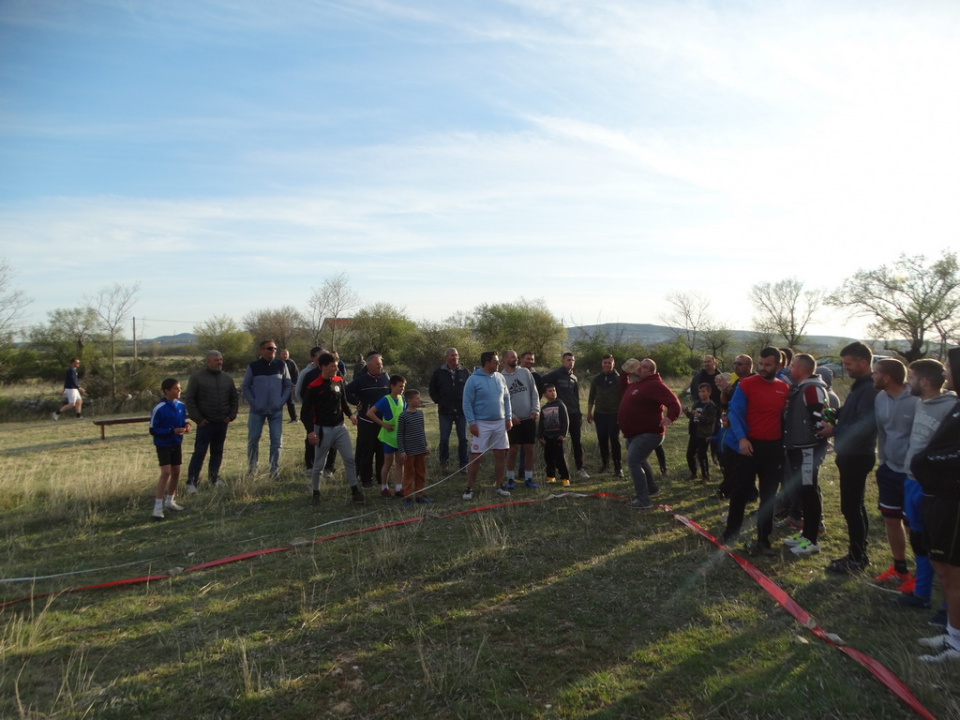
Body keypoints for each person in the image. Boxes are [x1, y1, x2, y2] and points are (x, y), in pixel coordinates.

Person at [911, 347, 960, 662]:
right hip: (938, 496)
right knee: (943, 567)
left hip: (953, 501)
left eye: (948, 367)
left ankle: (956, 646)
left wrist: (928, 461)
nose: (945, 373)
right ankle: (953, 634)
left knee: (953, 573)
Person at [898, 359, 956, 611]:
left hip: (934, 487)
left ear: (924, 381)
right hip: (911, 480)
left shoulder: (951, 407)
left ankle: (948, 607)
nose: (907, 382)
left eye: (910, 377)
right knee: (919, 540)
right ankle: (921, 594)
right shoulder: (920, 402)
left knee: (940, 549)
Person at [817, 341, 880, 574]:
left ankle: (856, 558)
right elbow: (850, 413)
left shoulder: (870, 388)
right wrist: (834, 413)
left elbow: (864, 425)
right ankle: (857, 554)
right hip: (850, 454)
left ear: (863, 363)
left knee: (851, 508)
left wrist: (834, 430)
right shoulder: (859, 386)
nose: (846, 368)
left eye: (848, 363)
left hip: (858, 455)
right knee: (854, 507)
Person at [722, 347, 789, 553]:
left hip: (774, 448)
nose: (762, 368)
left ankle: (763, 540)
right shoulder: (747, 384)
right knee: (739, 491)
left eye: (768, 365)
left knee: (769, 496)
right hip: (749, 445)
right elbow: (734, 412)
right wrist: (742, 439)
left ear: (779, 366)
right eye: (760, 364)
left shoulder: (784, 388)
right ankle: (730, 534)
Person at [871, 358, 920, 589]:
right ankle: (899, 568)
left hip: (913, 475)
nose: (873, 376)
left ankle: (922, 574)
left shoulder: (917, 399)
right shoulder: (880, 398)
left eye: (876, 372)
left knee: (914, 525)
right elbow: (882, 432)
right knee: (891, 520)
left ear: (887, 377)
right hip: (889, 469)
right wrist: (883, 462)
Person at [780, 353, 830, 556]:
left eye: (792, 366)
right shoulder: (802, 388)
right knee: (804, 490)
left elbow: (819, 419)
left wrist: (816, 435)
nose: (790, 369)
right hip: (799, 447)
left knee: (809, 492)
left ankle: (812, 539)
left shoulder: (812, 388)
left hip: (808, 448)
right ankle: (806, 533)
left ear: (801, 369)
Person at [301, 352, 364, 506]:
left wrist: (350, 415)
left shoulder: (338, 380)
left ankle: (355, 490)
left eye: (336, 366)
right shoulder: (313, 386)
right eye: (333, 366)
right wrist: (310, 431)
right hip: (322, 430)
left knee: (349, 459)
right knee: (319, 464)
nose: (336, 369)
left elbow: (342, 401)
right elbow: (305, 412)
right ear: (323, 367)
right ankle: (316, 493)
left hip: (340, 427)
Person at [618, 358, 681, 509]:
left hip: (649, 433)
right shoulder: (637, 384)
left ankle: (643, 500)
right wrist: (624, 374)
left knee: (633, 461)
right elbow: (622, 389)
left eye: (644, 367)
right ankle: (652, 488)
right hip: (634, 432)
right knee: (640, 461)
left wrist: (670, 417)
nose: (640, 369)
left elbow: (674, 402)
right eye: (640, 366)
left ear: (651, 371)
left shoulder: (655, 384)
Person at [183, 350, 239, 493]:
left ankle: (214, 478)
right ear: (208, 362)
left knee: (217, 451)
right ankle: (192, 482)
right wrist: (198, 419)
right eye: (216, 360)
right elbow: (190, 399)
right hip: (205, 423)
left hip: (222, 422)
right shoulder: (197, 378)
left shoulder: (227, 378)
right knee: (200, 452)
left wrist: (231, 415)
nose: (219, 362)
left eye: (220, 359)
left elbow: (234, 398)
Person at [461, 351, 512, 500]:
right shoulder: (473, 380)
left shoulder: (500, 377)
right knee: (476, 456)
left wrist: (508, 418)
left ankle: (499, 485)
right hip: (481, 423)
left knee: (500, 454)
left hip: (500, 422)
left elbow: (507, 398)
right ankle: (469, 488)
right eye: (495, 361)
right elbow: (467, 403)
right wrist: (472, 423)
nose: (498, 364)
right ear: (486, 362)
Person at [242, 340, 292, 479]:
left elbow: (288, 385)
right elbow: (245, 386)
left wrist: (281, 401)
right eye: (270, 348)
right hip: (257, 411)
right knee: (253, 439)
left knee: (276, 440)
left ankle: (274, 470)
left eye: (275, 348)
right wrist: (254, 403)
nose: (273, 351)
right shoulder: (253, 366)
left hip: (276, 410)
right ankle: (252, 470)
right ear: (261, 350)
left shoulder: (281, 365)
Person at [346, 353, 391, 488]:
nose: (380, 366)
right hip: (367, 421)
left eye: (381, 364)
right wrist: (357, 402)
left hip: (382, 421)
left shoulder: (385, 379)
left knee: (382, 451)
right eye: (377, 364)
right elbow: (347, 391)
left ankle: (381, 478)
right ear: (369, 365)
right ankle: (366, 479)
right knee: (367, 451)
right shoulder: (361, 380)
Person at [149, 378, 191, 521]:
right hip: (163, 443)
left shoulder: (181, 406)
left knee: (176, 472)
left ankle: (170, 500)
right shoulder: (159, 408)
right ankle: (158, 506)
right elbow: (153, 429)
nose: (179, 391)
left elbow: (182, 421)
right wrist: (171, 431)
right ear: (167, 391)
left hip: (176, 442)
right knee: (165, 473)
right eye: (175, 389)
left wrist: (186, 426)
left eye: (179, 388)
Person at [543, 353, 588, 478]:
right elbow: (541, 381)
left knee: (576, 442)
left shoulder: (574, 377)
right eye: (568, 360)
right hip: (559, 414)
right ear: (563, 361)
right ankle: (558, 470)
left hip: (573, 413)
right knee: (557, 442)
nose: (571, 362)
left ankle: (580, 468)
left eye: (573, 360)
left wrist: (579, 414)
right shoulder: (556, 374)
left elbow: (576, 397)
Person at [501, 349, 540, 489]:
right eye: (512, 357)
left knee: (529, 448)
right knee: (513, 449)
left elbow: (534, 392)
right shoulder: (500, 377)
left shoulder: (525, 372)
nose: (515, 359)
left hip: (528, 417)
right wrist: (510, 416)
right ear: (505, 360)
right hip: (513, 420)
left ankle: (528, 478)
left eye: (516, 357)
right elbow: (501, 401)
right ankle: (510, 478)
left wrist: (535, 409)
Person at [428, 347, 470, 473]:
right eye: (452, 355)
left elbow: (471, 388)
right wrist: (439, 401)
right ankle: (444, 463)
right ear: (446, 358)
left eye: (456, 355)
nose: (455, 357)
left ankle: (464, 465)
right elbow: (432, 389)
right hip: (445, 412)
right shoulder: (439, 372)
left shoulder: (465, 372)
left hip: (462, 411)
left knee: (463, 439)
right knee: (444, 439)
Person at [367, 375, 408, 498]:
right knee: (388, 462)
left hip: (400, 437)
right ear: (392, 386)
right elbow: (370, 413)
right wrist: (383, 424)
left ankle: (399, 488)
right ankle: (384, 487)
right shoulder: (385, 400)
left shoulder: (403, 399)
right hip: (389, 436)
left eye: (404, 386)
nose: (402, 389)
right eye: (400, 386)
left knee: (400, 462)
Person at [587, 354, 623, 477]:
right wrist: (589, 413)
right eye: (605, 362)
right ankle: (605, 465)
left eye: (609, 362)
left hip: (614, 414)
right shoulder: (597, 378)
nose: (607, 364)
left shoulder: (618, 379)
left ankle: (618, 468)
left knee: (614, 440)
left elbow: (623, 398)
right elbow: (591, 396)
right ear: (602, 363)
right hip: (599, 414)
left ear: (613, 364)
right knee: (602, 440)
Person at [397, 388, 433, 505]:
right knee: (409, 473)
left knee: (421, 472)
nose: (419, 400)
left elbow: (421, 431)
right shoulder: (403, 416)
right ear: (409, 401)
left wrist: (425, 446)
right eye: (417, 398)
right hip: (409, 451)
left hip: (420, 449)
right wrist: (402, 451)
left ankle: (419, 495)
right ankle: (408, 496)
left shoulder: (420, 414)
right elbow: (400, 435)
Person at [683, 383, 718, 483]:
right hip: (694, 432)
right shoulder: (697, 403)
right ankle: (693, 473)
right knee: (690, 454)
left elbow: (710, 420)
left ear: (709, 392)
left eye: (703, 391)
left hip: (703, 434)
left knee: (702, 455)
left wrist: (699, 416)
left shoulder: (711, 406)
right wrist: (687, 413)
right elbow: (692, 417)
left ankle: (705, 476)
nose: (701, 394)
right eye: (699, 391)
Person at [538, 383, 570, 486]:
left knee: (560, 458)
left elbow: (566, 421)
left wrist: (563, 434)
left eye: (554, 390)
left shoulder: (560, 404)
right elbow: (541, 423)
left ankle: (565, 478)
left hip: (558, 437)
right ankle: (551, 476)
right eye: (550, 391)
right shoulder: (544, 408)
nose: (553, 393)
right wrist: (540, 436)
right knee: (549, 458)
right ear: (544, 394)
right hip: (548, 437)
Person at [279, 349, 300, 423]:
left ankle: (294, 418)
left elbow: (296, 374)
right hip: (280, 386)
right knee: (279, 403)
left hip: (289, 386)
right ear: (280, 355)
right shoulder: (278, 363)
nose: (284, 355)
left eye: (286, 354)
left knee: (290, 402)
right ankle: (277, 418)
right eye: (283, 354)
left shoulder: (291, 363)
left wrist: (294, 385)